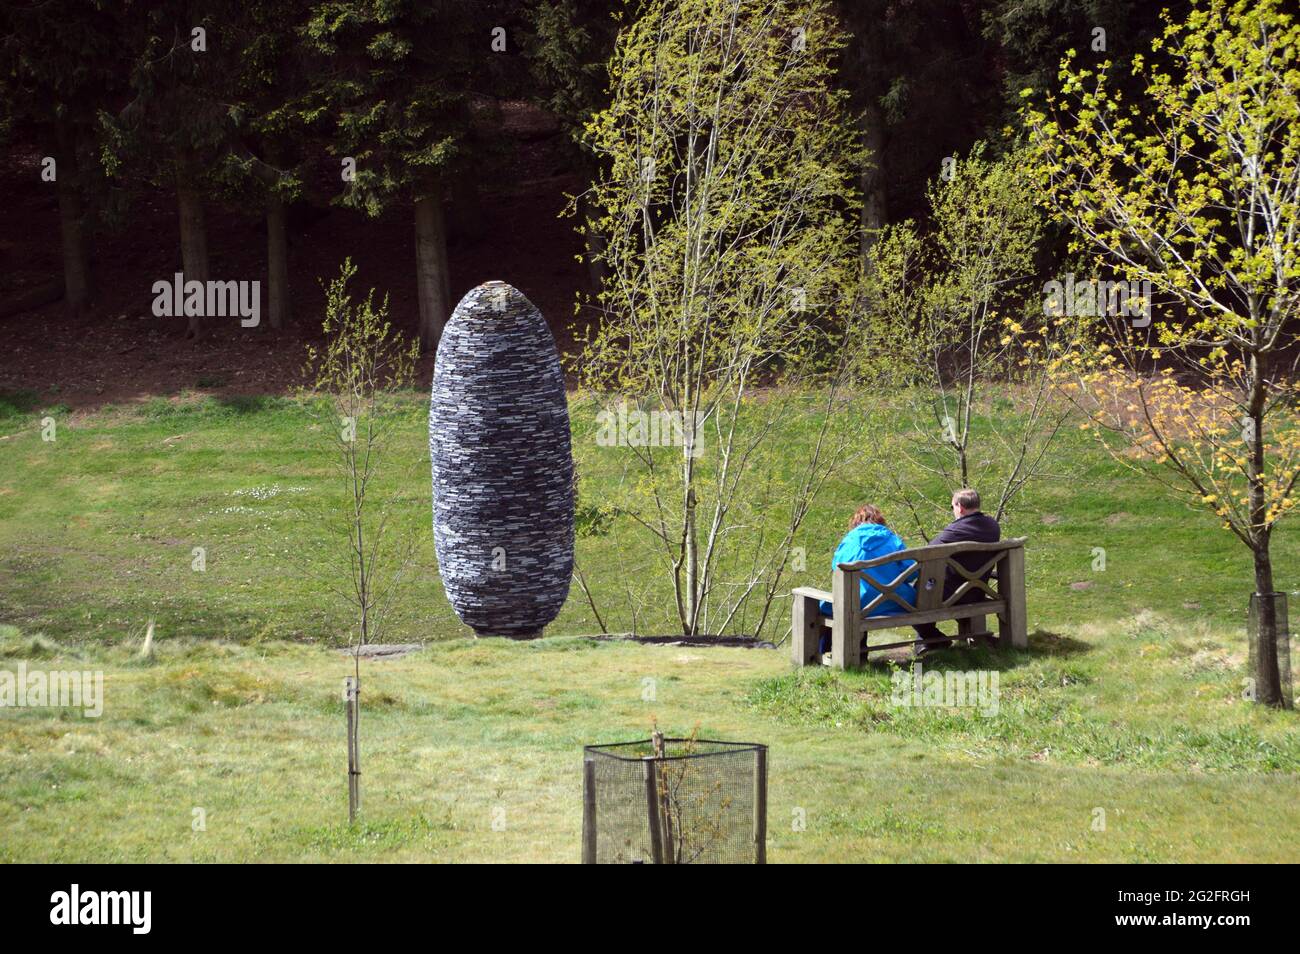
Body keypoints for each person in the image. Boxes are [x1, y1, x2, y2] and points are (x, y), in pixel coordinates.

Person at [817, 504, 917, 655]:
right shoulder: (892, 539)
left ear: (856, 521)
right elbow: (911, 573)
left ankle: (824, 652)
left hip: (857, 604)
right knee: (863, 598)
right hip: (896, 602)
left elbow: (836, 571)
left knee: (830, 605)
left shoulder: (849, 541)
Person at [913, 488, 1001, 653]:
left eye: (952, 506)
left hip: (953, 594)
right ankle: (926, 642)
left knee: (915, 596)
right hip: (977, 589)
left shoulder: (956, 530)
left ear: (960, 507)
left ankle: (931, 639)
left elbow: (928, 551)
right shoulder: (993, 526)